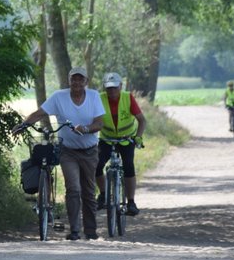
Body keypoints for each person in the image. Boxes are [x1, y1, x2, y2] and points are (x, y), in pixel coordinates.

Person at [12, 67, 105, 241]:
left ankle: (90, 231)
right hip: (68, 151)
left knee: (88, 191)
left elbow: (99, 123)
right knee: (73, 188)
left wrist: (86, 129)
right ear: (68, 80)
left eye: (80, 79)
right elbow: (39, 114)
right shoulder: (59, 97)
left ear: (86, 81)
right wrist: (23, 125)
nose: (77, 82)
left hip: (90, 151)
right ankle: (75, 230)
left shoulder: (93, 96)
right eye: (73, 79)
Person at [95, 72, 146, 216]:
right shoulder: (99, 99)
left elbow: (142, 120)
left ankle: (131, 202)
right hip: (106, 139)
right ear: (104, 88)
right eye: (108, 88)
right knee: (96, 165)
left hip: (126, 139)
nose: (111, 91)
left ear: (121, 86)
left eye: (114, 87)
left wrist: (138, 137)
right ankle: (103, 194)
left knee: (128, 165)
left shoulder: (127, 97)